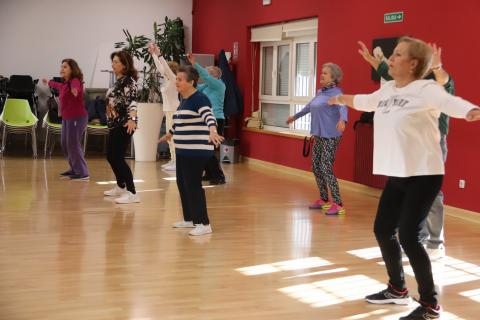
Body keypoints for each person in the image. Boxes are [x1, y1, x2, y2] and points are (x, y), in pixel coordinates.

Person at [329, 36, 480, 320]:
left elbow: (451, 101)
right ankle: (398, 289)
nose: (391, 58)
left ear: (413, 63)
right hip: (398, 172)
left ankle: (430, 304)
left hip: (424, 173)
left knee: (410, 236)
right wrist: (338, 98)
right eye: (393, 54)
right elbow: (364, 101)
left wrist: (470, 111)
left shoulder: (425, 89)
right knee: (383, 229)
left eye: (397, 54)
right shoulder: (387, 90)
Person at [358, 41, 453, 260]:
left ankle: (436, 243)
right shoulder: (407, 83)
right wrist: (374, 61)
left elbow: (445, 81)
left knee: (432, 195)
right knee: (407, 191)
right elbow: (387, 73)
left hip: (431, 145)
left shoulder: (434, 84)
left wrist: (438, 68)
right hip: (409, 143)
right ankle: (414, 239)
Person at [159, 65, 224, 236]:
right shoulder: (184, 100)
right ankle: (189, 219)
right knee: (183, 184)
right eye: (176, 79)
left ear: (191, 82)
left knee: (193, 186)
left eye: (180, 80)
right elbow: (180, 121)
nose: (176, 82)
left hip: (196, 151)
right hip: (183, 150)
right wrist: (170, 134)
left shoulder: (199, 99)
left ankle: (204, 223)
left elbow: (209, 117)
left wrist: (213, 130)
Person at [286, 63, 348, 216]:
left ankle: (338, 203)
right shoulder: (320, 93)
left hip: (331, 136)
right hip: (319, 134)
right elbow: (309, 107)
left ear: (333, 78)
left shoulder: (337, 93)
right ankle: (324, 199)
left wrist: (343, 120)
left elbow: (343, 107)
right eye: (321, 72)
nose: (321, 75)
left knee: (326, 167)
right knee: (315, 166)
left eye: (325, 73)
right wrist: (295, 117)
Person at [103, 51, 140, 204]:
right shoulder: (119, 81)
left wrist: (132, 119)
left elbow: (133, 102)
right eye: (113, 61)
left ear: (125, 65)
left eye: (117, 61)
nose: (113, 64)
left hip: (124, 123)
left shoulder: (129, 82)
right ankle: (120, 185)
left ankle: (132, 192)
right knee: (111, 156)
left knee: (117, 157)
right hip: (114, 123)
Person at [43, 59, 89, 180]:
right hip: (67, 118)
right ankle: (74, 168)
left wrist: (75, 91)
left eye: (65, 67)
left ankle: (82, 173)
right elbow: (57, 85)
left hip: (77, 118)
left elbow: (76, 87)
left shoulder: (74, 81)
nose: (62, 69)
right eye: (61, 67)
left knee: (73, 144)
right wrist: (48, 82)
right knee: (65, 143)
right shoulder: (64, 84)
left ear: (72, 69)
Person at [186, 53, 227, 185]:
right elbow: (196, 88)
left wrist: (194, 64)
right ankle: (210, 173)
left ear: (215, 76)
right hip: (206, 120)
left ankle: (219, 176)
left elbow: (205, 77)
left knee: (209, 149)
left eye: (209, 74)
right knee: (205, 149)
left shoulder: (219, 85)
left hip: (216, 120)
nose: (205, 76)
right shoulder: (207, 86)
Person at [148, 43, 180, 171]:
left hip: (174, 110)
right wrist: (153, 54)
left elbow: (164, 67)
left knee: (173, 137)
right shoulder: (167, 80)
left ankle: (177, 162)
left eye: (166, 70)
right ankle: (173, 160)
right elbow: (160, 67)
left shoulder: (174, 79)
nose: (162, 71)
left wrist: (159, 54)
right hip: (168, 111)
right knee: (169, 137)